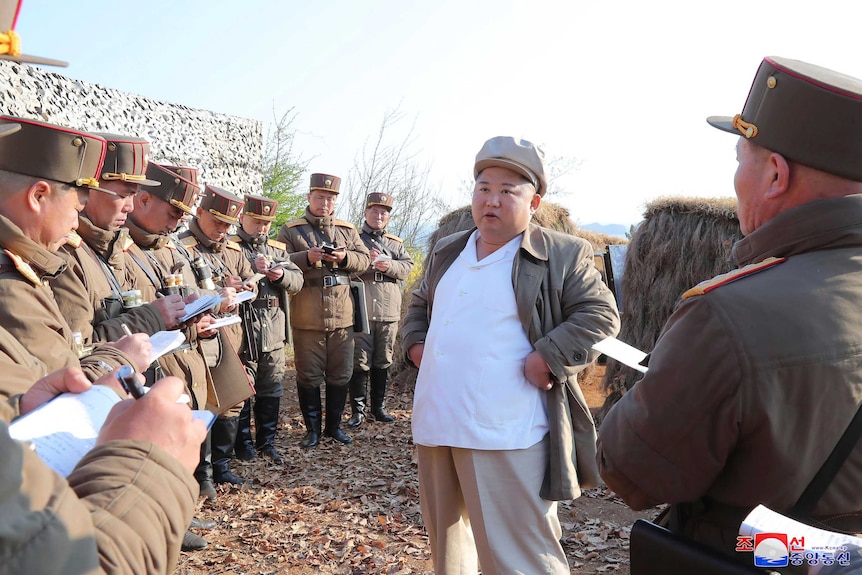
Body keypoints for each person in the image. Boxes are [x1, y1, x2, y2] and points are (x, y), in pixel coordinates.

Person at [596, 56, 862, 559]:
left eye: (741, 159)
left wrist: (661, 385)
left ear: (776, 175)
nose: (736, 179)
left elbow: (631, 472)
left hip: (761, 556)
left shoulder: (728, 315)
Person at [401, 136, 620, 574]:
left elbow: (601, 316)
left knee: (519, 557)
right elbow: (419, 303)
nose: (492, 200)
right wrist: (416, 345)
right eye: (483, 188)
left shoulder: (560, 253)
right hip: (438, 420)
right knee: (449, 550)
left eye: (507, 190)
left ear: (534, 200)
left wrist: (549, 355)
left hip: (505, 430)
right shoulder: (448, 250)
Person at [0, 116, 151, 381]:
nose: (74, 224)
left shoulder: (26, 268)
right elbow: (63, 392)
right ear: (38, 196)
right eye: (76, 210)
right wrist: (120, 359)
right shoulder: (10, 286)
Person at [122, 161, 221, 548]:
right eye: (172, 212)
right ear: (143, 198)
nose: (177, 223)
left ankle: (177, 517)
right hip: (145, 368)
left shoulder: (161, 248)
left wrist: (199, 316)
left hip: (177, 361)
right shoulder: (124, 251)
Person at [51, 133, 188, 345]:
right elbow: (80, 348)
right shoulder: (65, 254)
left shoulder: (114, 247)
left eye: (133, 195)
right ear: (90, 188)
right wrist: (153, 318)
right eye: (124, 195)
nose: (130, 207)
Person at [277, 173, 370, 448]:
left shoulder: (347, 230)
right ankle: (312, 430)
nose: (325, 203)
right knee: (308, 376)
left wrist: (345, 258)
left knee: (341, 374)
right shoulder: (292, 230)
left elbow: (364, 261)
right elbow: (279, 261)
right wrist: (306, 257)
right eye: (320, 197)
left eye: (330, 198)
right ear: (309, 198)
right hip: (307, 317)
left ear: (335, 201)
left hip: (342, 316)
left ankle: (334, 428)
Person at [177, 184, 256, 485]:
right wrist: (216, 293)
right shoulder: (182, 248)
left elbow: (253, 280)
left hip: (231, 333)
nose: (222, 230)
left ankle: (222, 467)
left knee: (231, 398)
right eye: (217, 222)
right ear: (199, 213)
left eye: (227, 225)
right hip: (201, 336)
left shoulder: (232, 251)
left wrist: (246, 285)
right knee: (203, 400)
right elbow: (183, 290)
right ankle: (203, 474)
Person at [231, 194, 303, 463]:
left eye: (267, 223)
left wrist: (281, 275)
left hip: (273, 326)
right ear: (243, 218)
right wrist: (250, 269)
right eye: (257, 221)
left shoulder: (278, 249)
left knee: (271, 386)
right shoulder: (230, 246)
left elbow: (298, 281)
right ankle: (244, 443)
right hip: (244, 326)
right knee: (243, 387)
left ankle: (267, 441)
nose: (261, 228)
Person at [347, 192, 414, 427]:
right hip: (361, 307)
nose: (379, 216)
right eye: (374, 211)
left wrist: (389, 264)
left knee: (383, 360)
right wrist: (367, 261)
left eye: (384, 212)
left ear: (388, 217)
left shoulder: (395, 243)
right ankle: (358, 411)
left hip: (388, 309)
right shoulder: (355, 239)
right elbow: (345, 264)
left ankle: (378, 407)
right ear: (366, 213)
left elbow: (407, 267)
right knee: (359, 360)